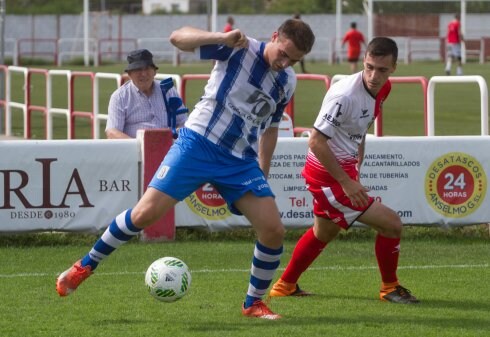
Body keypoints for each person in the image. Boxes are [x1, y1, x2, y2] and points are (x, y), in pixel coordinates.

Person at [56, 19, 315, 320]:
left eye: (293, 60)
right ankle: (83, 266)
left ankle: (253, 303)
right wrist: (221, 36)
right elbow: (178, 37)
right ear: (274, 37)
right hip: (198, 144)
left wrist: (263, 170)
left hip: (239, 159)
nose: (284, 63)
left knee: (273, 230)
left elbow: (270, 128)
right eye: (283, 53)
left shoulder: (287, 81)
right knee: (144, 215)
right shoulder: (238, 48)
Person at [269, 37, 420, 305]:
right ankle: (390, 288)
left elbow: (358, 130)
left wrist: (356, 167)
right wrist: (346, 182)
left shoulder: (383, 90)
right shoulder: (344, 95)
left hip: (340, 170)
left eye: (382, 70)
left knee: (323, 232)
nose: (374, 76)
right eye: (370, 67)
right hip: (326, 176)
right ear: (363, 61)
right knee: (392, 224)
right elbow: (315, 140)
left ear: (394, 68)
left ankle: (285, 285)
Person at [105, 49, 187, 139]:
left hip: (169, 148)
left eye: (147, 68)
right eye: (138, 69)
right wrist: (140, 146)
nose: (143, 74)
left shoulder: (169, 91)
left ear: (154, 72)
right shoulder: (119, 97)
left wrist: (174, 138)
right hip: (135, 150)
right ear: (129, 74)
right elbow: (112, 132)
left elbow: (183, 122)